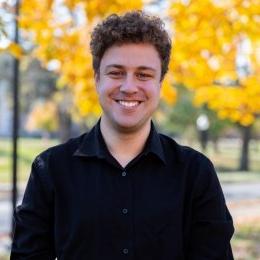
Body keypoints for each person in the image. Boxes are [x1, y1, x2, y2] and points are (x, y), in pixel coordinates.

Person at [11, 11, 234, 259]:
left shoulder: (196, 173)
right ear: (97, 79)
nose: (129, 87)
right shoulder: (51, 169)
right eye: (116, 73)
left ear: (160, 83)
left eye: (143, 74)